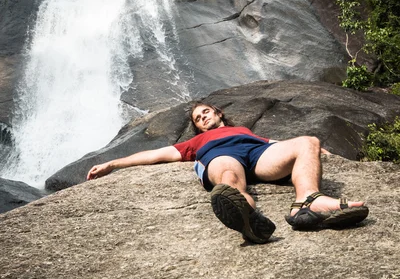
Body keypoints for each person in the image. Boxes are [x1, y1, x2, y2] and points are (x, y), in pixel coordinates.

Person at [87, 102, 369, 244]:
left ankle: (308, 201)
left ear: (219, 113)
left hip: (257, 154)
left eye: (206, 112)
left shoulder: (245, 130)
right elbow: (156, 155)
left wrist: (317, 150)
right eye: (198, 119)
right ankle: (247, 217)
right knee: (229, 179)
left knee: (308, 140)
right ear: (197, 128)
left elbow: (282, 146)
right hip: (222, 156)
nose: (203, 118)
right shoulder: (196, 142)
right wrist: (114, 163)